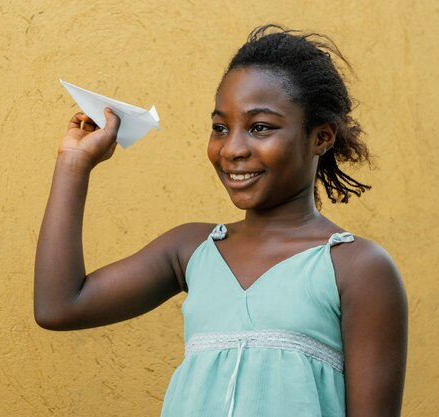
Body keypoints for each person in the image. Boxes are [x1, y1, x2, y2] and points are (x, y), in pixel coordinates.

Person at [34, 25, 407, 417]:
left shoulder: (357, 267)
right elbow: (59, 306)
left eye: (260, 127)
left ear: (321, 137)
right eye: (220, 128)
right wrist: (74, 164)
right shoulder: (190, 249)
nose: (232, 149)